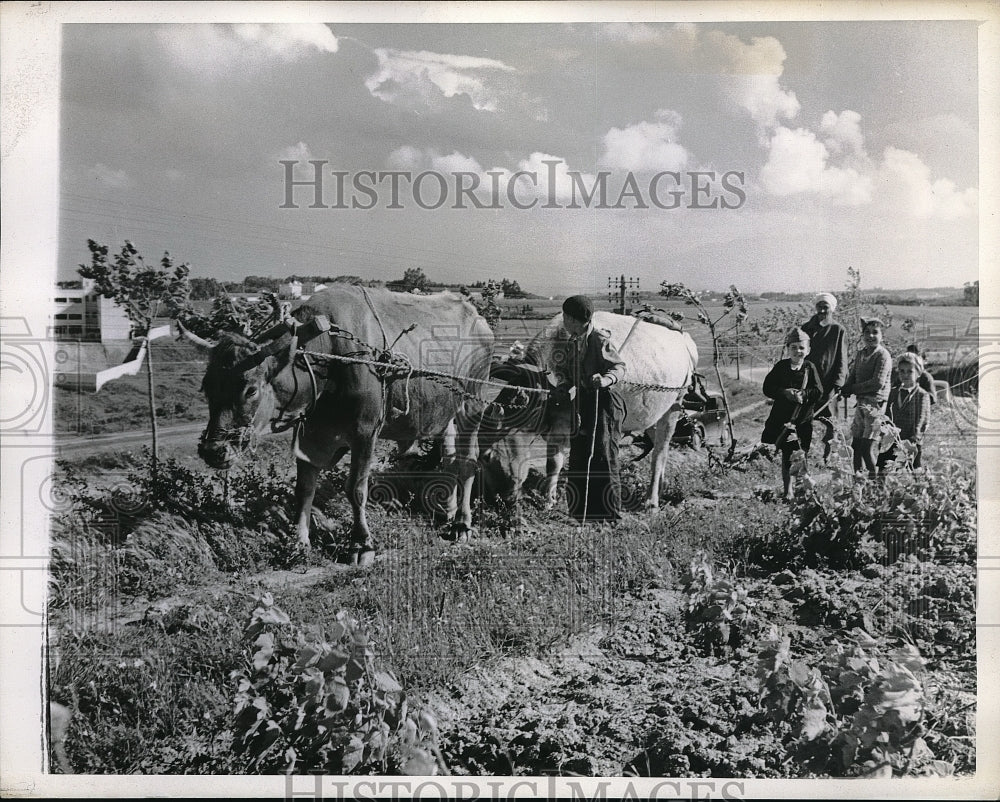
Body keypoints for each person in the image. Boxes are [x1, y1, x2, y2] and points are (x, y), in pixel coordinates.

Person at [560, 295, 627, 523]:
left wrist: (606, 379)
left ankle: (610, 517)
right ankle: (580, 514)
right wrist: (562, 383)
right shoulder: (573, 341)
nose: (564, 321)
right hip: (584, 403)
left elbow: (619, 366)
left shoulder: (598, 339)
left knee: (604, 457)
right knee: (578, 456)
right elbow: (569, 374)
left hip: (605, 403)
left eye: (565, 317)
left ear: (572, 319)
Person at [761, 327, 823, 500]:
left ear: (808, 350)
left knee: (802, 453)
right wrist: (784, 392)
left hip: (803, 420)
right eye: (794, 347)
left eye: (802, 347)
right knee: (788, 455)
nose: (798, 351)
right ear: (788, 349)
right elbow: (767, 388)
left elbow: (818, 391)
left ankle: (803, 486)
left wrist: (804, 394)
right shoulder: (781, 367)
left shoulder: (810, 368)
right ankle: (788, 490)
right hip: (784, 420)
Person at [841, 318, 893, 480]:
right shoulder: (861, 354)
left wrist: (853, 388)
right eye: (867, 332)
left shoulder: (883, 355)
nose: (870, 336)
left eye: (875, 332)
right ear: (862, 335)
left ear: (882, 335)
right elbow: (854, 375)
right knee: (856, 445)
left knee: (866, 447)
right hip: (861, 403)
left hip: (875, 404)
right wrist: (846, 387)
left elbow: (877, 383)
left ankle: (876, 485)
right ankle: (859, 482)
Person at [802, 292, 847, 460]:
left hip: (828, 384)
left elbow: (842, 358)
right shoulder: (806, 328)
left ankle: (828, 456)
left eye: (825, 307)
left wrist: (839, 383)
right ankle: (802, 454)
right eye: (819, 306)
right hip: (808, 384)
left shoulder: (838, 330)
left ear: (832, 309)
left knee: (831, 422)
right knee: (804, 419)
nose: (822, 310)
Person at [879, 352, 932, 470]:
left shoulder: (922, 395)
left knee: (913, 472)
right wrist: (884, 434)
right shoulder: (893, 392)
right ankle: (879, 487)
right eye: (902, 371)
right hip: (891, 440)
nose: (905, 375)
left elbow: (922, 421)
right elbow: (887, 415)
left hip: (910, 442)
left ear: (918, 373)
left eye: (910, 371)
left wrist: (913, 440)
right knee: (883, 470)